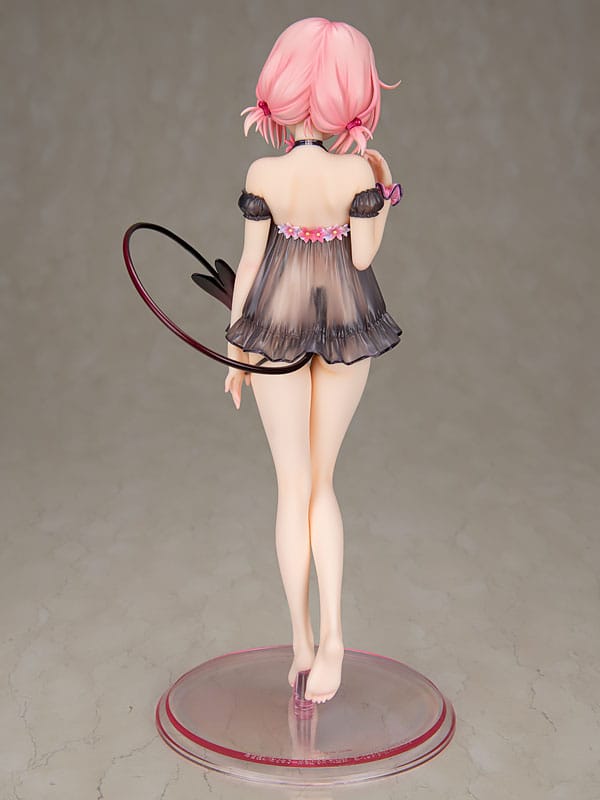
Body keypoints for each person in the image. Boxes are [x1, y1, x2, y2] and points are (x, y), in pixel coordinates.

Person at [224, 17, 403, 704]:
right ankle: (328, 640)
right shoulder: (357, 170)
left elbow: (248, 264)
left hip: (272, 323)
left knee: (292, 486)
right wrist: (385, 192)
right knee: (321, 485)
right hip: (348, 322)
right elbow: (362, 254)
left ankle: (306, 642)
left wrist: (236, 349)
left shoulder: (263, 172)